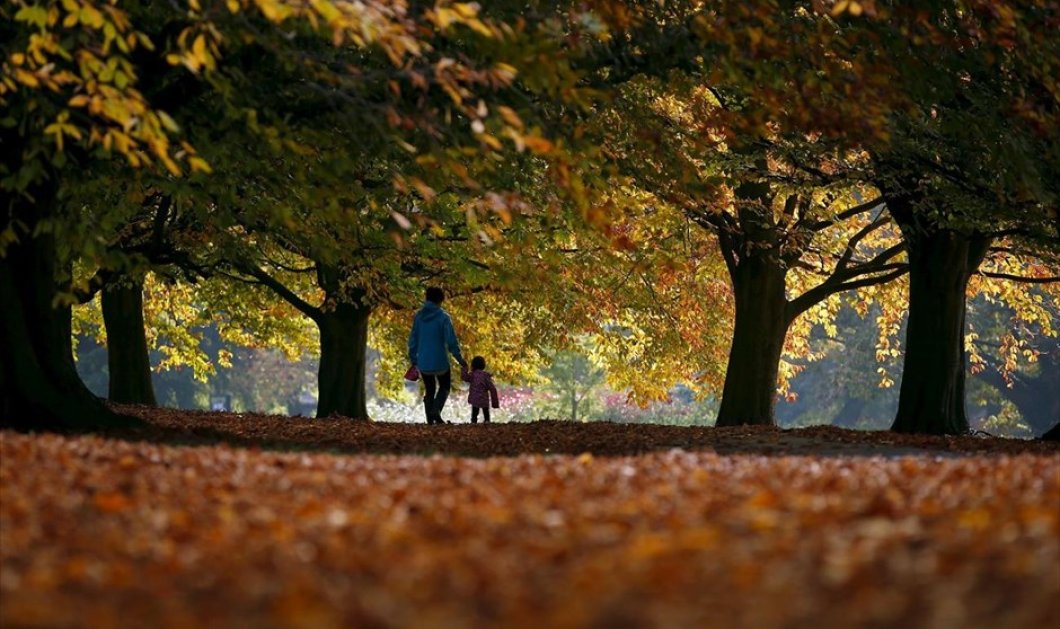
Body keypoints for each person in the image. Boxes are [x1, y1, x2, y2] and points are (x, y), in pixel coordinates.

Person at [407, 287, 467, 424]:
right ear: (440, 300)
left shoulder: (419, 317)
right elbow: (452, 341)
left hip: (423, 361)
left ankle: (430, 420)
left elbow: (413, 339)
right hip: (440, 360)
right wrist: (459, 359)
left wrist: (413, 359)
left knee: (430, 389)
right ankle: (436, 411)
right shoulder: (444, 317)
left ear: (427, 298)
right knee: (445, 387)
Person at [461, 356, 500, 423]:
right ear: (483, 365)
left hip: (475, 398)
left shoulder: (472, 375)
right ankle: (487, 422)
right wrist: (495, 402)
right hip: (484, 398)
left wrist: (465, 368)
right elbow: (492, 388)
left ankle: (474, 423)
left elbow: (464, 377)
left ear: (473, 365)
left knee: (474, 413)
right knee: (486, 413)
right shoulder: (485, 376)